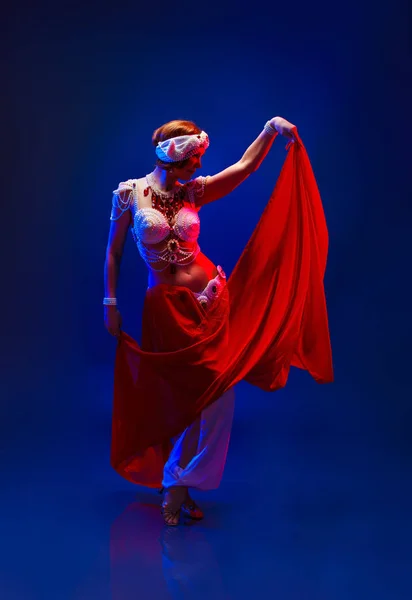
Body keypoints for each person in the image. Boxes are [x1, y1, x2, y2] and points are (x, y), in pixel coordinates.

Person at [104, 117, 333, 526]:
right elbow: (115, 253)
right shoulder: (129, 195)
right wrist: (110, 303)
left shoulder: (194, 191)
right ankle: (179, 481)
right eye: (193, 159)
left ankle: (177, 480)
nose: (198, 166)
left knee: (217, 393)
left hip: (207, 300)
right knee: (180, 397)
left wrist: (268, 130)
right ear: (172, 158)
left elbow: (243, 169)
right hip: (164, 309)